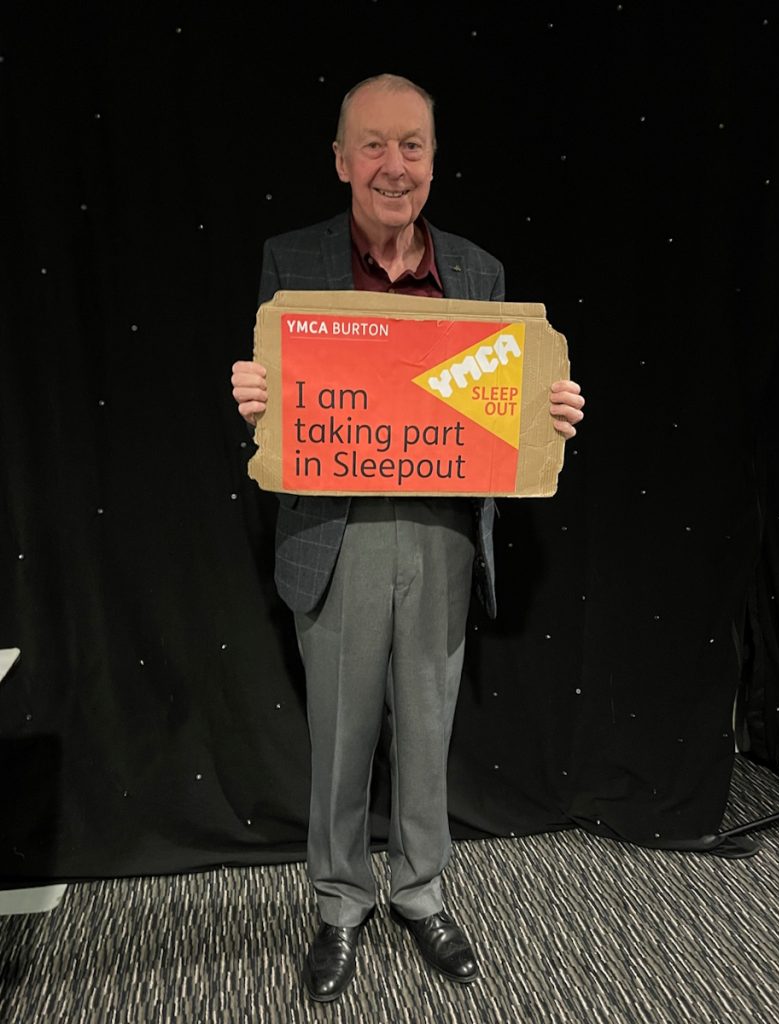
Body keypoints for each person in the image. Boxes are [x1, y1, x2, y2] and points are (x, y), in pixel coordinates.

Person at [231, 73, 585, 1002]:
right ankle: (340, 903)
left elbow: (499, 408)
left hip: (440, 536)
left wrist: (547, 412)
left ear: (434, 158)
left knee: (426, 735)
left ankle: (421, 894)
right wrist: (255, 402)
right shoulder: (291, 257)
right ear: (342, 159)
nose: (395, 165)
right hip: (336, 538)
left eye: (413, 145)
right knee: (340, 737)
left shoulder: (477, 270)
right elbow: (279, 402)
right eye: (375, 145)